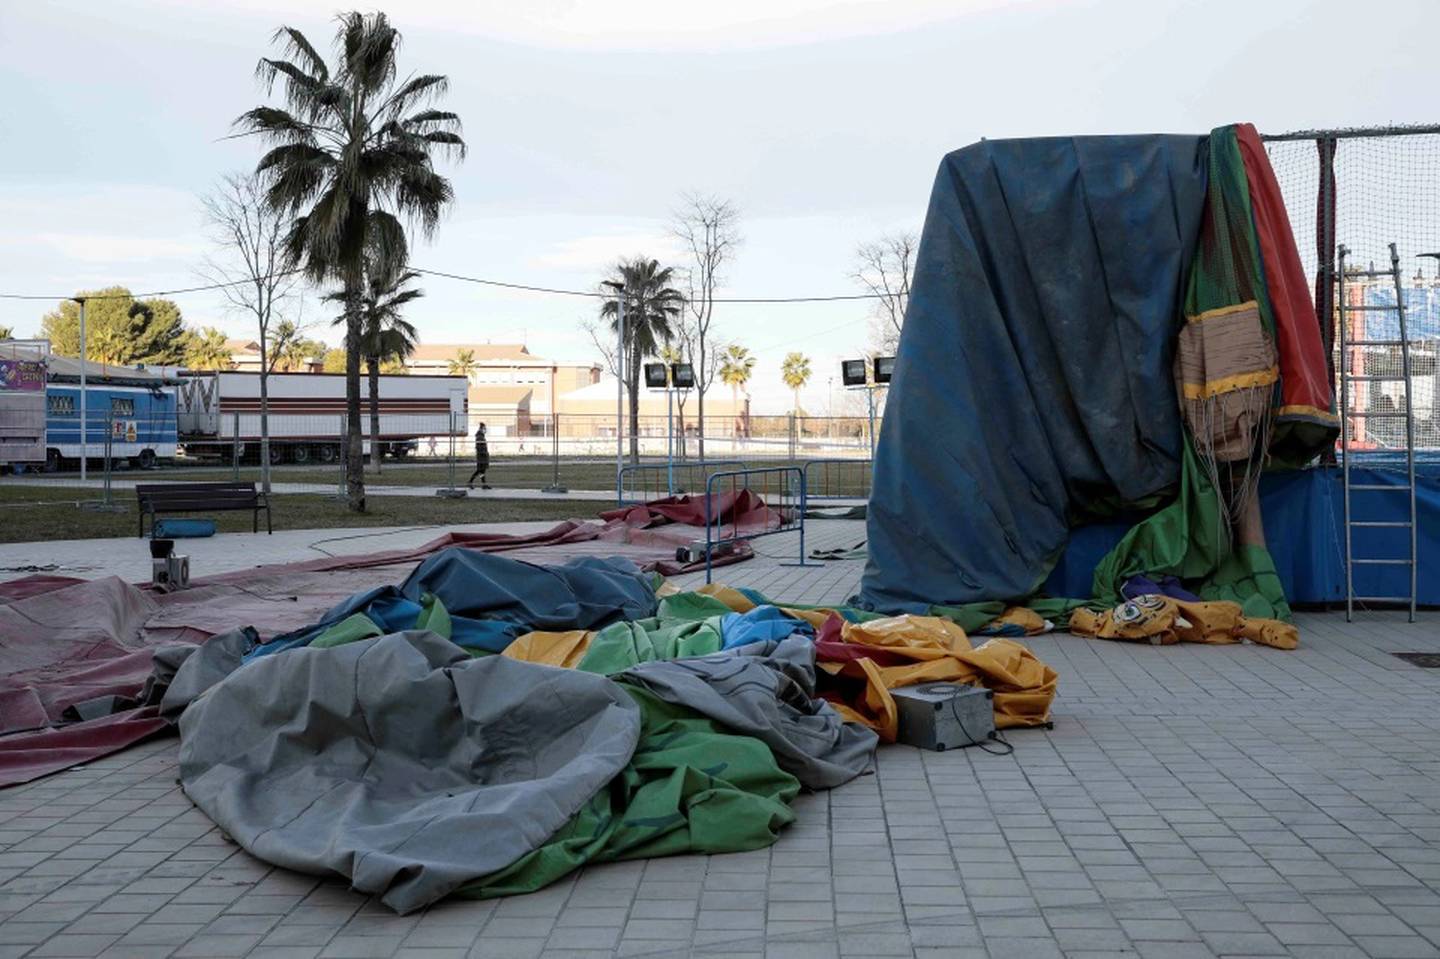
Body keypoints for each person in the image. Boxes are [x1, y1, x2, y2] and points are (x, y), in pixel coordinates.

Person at [467, 423, 491, 489]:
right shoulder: (479, 437)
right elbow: (478, 447)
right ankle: (470, 482)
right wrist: (484, 453)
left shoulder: (481, 436)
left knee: (482, 471)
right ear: (481, 429)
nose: (485, 430)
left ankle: (484, 484)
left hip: (483, 456)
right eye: (484, 428)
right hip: (481, 457)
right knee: (479, 471)